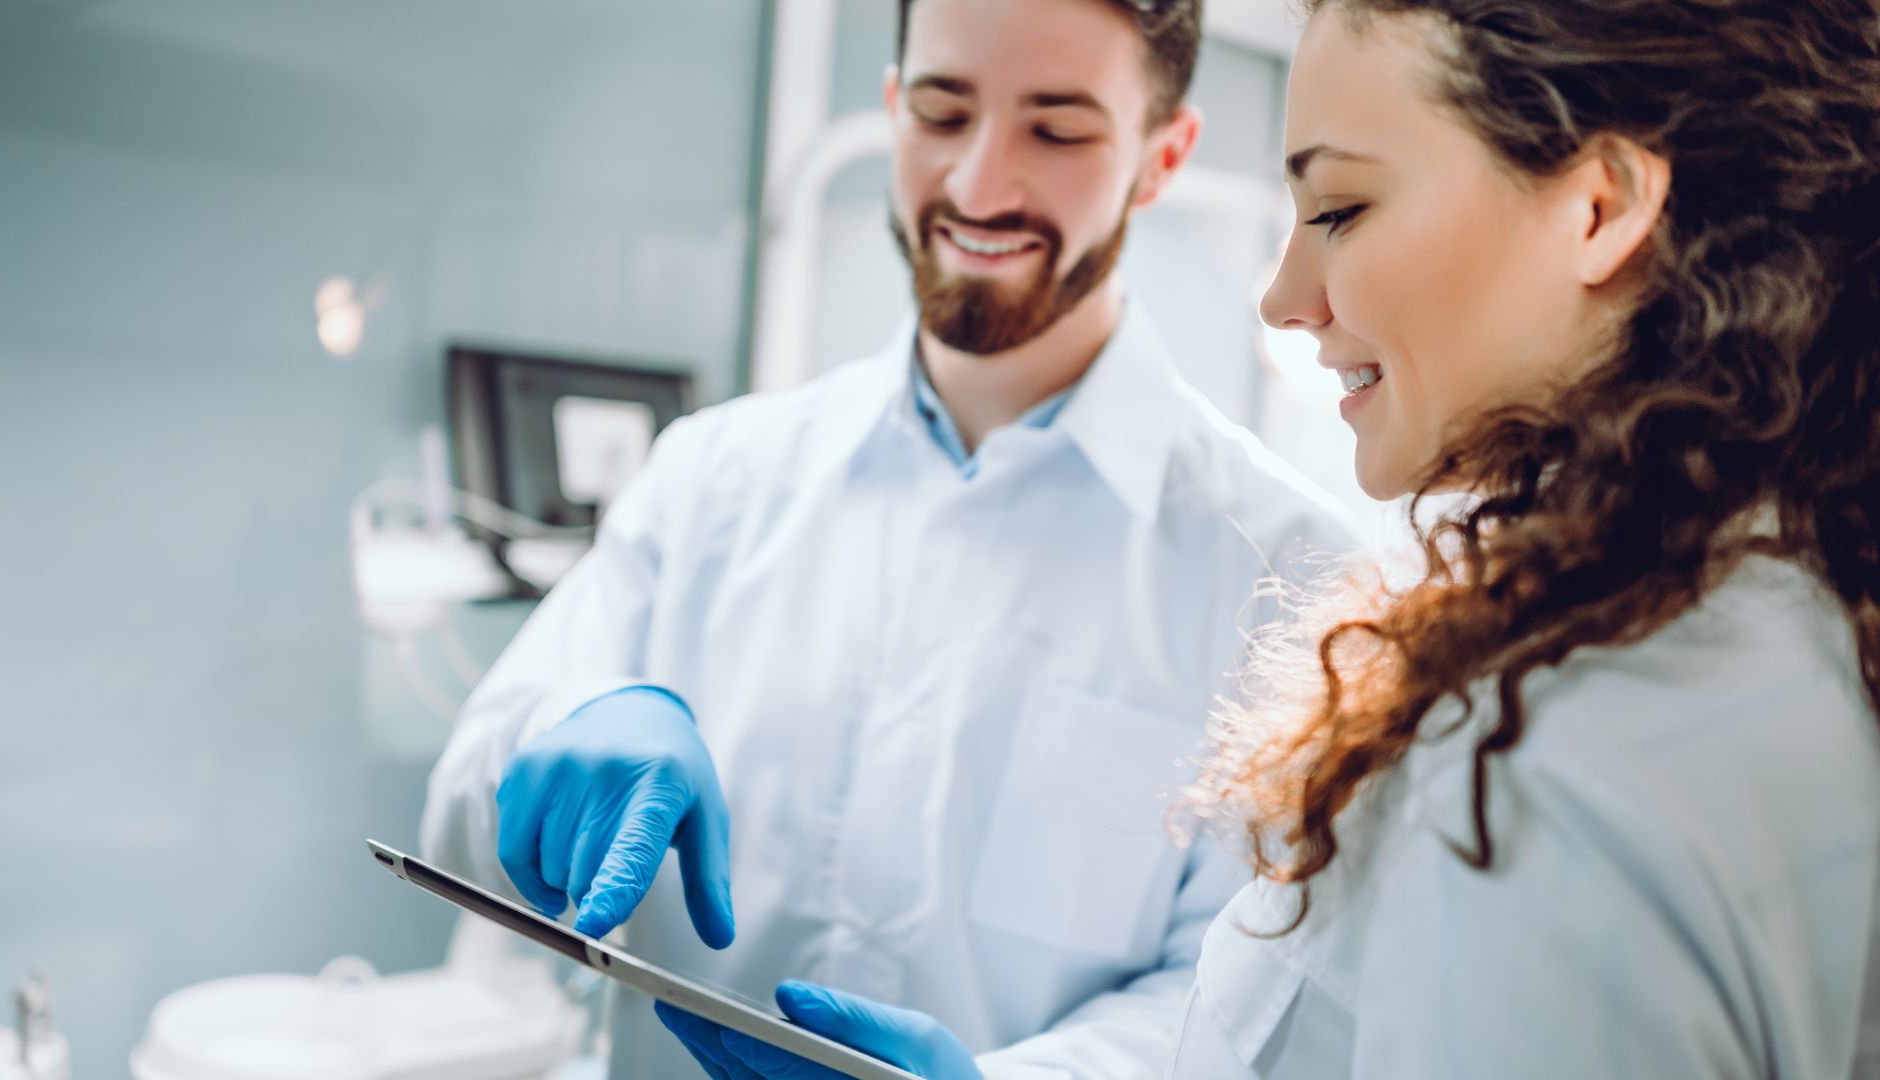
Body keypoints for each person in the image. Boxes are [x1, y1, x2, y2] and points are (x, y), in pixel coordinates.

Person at [654, 0, 1880, 1075]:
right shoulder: (1785, 619)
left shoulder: (1549, 760)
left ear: (1600, 206)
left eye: (1341, 207)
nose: (1283, 297)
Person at [420, 0, 1358, 1076]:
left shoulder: (1291, 577)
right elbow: (457, 814)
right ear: (890, 107)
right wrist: (568, 727)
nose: (977, 186)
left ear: (1162, 156)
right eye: (941, 111)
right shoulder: (711, 478)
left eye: (1056, 130)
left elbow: (1254, 1003)